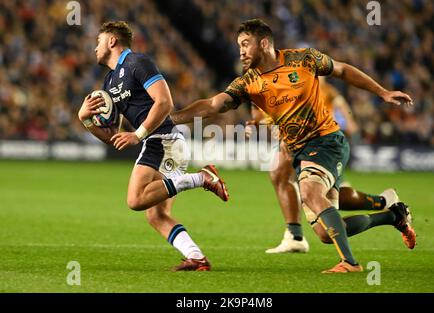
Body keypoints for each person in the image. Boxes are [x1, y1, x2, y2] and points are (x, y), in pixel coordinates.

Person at [171, 19, 415, 273]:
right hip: (299, 152)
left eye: (245, 44)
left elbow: (342, 70)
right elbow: (212, 105)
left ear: (263, 43)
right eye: (239, 46)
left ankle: (349, 263)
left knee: (309, 192)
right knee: (324, 232)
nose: (241, 51)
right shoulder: (248, 82)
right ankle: (393, 214)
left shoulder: (304, 59)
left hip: (326, 141)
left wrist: (382, 92)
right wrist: (171, 119)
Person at [77, 21, 229, 272]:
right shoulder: (109, 81)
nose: (95, 48)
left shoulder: (138, 63)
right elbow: (114, 137)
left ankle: (202, 178)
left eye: (98, 41)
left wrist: (138, 134)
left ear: (112, 41)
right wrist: (85, 119)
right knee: (155, 215)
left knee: (136, 200)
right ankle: (197, 258)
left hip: (163, 140)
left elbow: (164, 102)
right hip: (161, 143)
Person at [247, 106, 405, 254]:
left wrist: (351, 121)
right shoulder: (255, 86)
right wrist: (261, 123)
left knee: (325, 224)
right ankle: (295, 236)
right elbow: (261, 111)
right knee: (281, 175)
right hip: (304, 146)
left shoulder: (301, 84)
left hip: (321, 146)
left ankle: (385, 208)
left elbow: (335, 96)